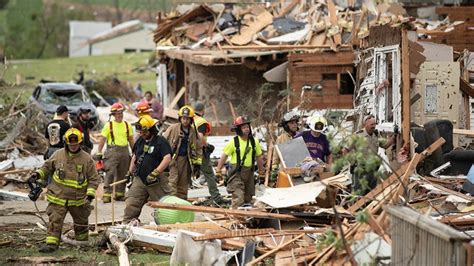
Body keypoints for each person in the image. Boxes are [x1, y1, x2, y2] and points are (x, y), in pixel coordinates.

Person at [30, 128, 99, 253]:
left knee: (81, 223)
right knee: (55, 220)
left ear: (80, 143)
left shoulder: (87, 159)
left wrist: (90, 195)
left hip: (79, 200)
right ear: (66, 142)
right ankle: (51, 245)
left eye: (76, 144)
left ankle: (82, 244)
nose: (73, 146)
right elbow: (47, 167)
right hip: (58, 196)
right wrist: (37, 174)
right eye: (70, 144)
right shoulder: (58, 154)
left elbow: (94, 179)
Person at [123, 116, 172, 223]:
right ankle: (127, 224)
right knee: (132, 201)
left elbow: (167, 158)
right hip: (140, 178)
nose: (141, 134)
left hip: (157, 180)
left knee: (163, 205)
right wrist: (129, 173)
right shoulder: (140, 141)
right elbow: (135, 157)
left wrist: (156, 172)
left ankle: (167, 224)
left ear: (150, 130)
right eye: (140, 132)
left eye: (144, 132)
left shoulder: (161, 141)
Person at [215, 116, 265, 208]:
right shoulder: (234, 142)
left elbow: (259, 157)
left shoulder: (254, 142)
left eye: (247, 127)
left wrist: (262, 172)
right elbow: (224, 156)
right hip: (236, 174)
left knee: (248, 199)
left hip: (249, 174)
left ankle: (245, 220)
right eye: (243, 127)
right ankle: (235, 218)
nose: (246, 129)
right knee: (238, 198)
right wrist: (218, 170)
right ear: (238, 129)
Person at [344, 114, 395, 193]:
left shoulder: (376, 135)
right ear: (365, 124)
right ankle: (357, 205)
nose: (374, 126)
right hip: (360, 170)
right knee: (358, 192)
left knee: (371, 192)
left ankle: (369, 205)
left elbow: (385, 145)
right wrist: (352, 162)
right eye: (371, 124)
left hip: (372, 170)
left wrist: (394, 137)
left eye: (375, 124)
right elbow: (345, 150)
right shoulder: (357, 136)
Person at [96, 103, 134, 203]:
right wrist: (99, 151)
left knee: (123, 173)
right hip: (112, 151)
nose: (120, 115)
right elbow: (102, 139)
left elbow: (131, 139)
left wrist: (134, 151)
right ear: (113, 114)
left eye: (121, 113)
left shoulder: (127, 125)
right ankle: (107, 195)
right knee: (110, 173)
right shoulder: (109, 125)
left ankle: (119, 194)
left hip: (125, 151)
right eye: (117, 113)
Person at [163, 105, 202, 199]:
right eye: (184, 118)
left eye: (188, 119)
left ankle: (181, 203)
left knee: (183, 183)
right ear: (180, 118)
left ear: (191, 120)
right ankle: (171, 203)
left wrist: (197, 165)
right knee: (172, 181)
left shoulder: (193, 132)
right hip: (172, 160)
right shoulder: (172, 129)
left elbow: (197, 148)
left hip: (185, 160)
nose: (185, 121)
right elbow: (163, 142)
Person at [193, 102, 228, 205]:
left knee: (187, 174)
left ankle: (179, 197)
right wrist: (207, 145)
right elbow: (200, 135)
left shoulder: (191, 120)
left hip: (190, 152)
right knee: (209, 174)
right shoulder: (201, 121)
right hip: (200, 151)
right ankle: (216, 197)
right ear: (203, 110)